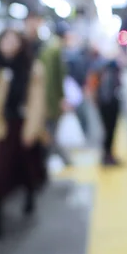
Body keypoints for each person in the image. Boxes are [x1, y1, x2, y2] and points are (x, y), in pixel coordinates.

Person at [0, 30, 47, 240]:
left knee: (26, 169)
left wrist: (32, 129)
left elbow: (36, 101)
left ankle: (29, 196)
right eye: (4, 40)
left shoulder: (31, 68)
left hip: (20, 127)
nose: (7, 44)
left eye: (12, 40)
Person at [39, 21, 71, 166]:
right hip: (51, 102)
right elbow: (53, 79)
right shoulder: (55, 50)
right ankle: (42, 164)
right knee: (50, 134)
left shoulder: (49, 47)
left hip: (48, 100)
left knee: (50, 134)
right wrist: (57, 101)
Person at [87, 48, 122, 166]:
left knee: (108, 130)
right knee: (109, 130)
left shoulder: (100, 66)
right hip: (109, 102)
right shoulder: (109, 66)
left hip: (105, 102)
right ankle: (107, 156)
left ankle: (108, 155)